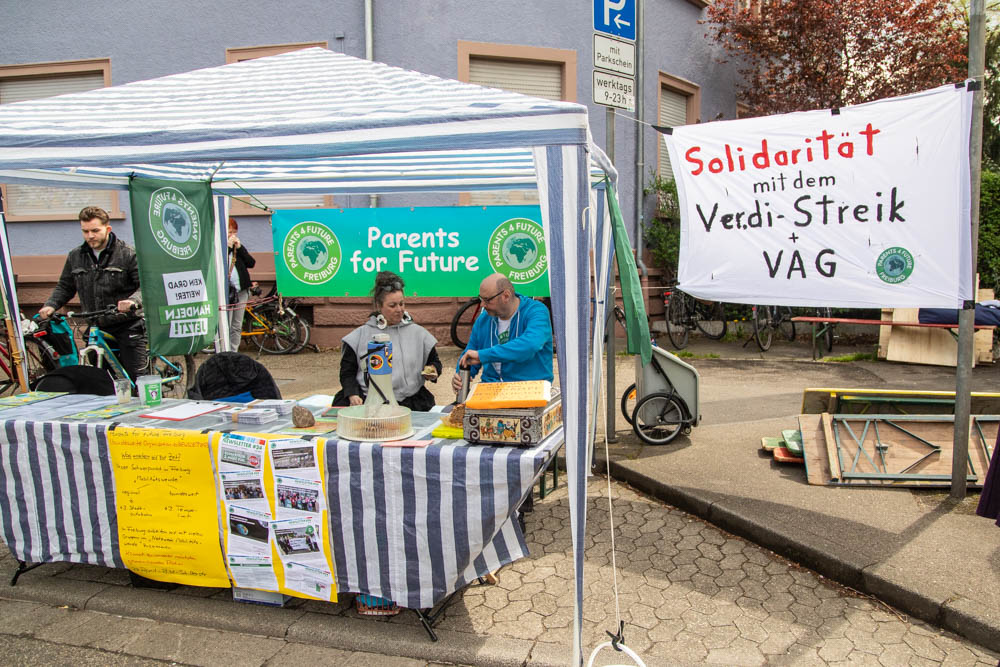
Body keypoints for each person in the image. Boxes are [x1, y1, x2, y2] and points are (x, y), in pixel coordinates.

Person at [39, 206, 147, 383]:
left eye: (95, 231)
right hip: (96, 325)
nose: (90, 236)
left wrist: (132, 301)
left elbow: (145, 286)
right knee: (102, 381)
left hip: (127, 323)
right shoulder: (75, 256)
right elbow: (65, 286)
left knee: (137, 379)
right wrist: (51, 304)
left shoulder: (128, 254)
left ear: (108, 229)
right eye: (85, 231)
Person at [333, 271, 442, 411]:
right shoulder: (359, 336)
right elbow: (347, 373)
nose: (399, 310)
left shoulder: (419, 334)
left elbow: (435, 362)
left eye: (402, 304)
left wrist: (433, 370)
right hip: (370, 403)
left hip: (411, 403)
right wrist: (352, 394)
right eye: (392, 305)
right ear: (379, 306)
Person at [451, 273, 553, 392]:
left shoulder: (536, 311)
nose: (482, 305)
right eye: (480, 299)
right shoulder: (483, 320)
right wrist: (459, 375)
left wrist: (483, 355)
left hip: (531, 390)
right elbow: (469, 354)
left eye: (487, 300)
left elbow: (530, 345)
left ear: (506, 296)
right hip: (491, 391)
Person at [226, 217, 256, 351]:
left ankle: (234, 351)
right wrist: (227, 247)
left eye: (234, 232)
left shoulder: (238, 250)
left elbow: (251, 263)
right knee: (226, 324)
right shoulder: (220, 248)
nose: (232, 235)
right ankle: (224, 351)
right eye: (229, 231)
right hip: (227, 292)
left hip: (241, 291)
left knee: (237, 325)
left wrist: (240, 247)